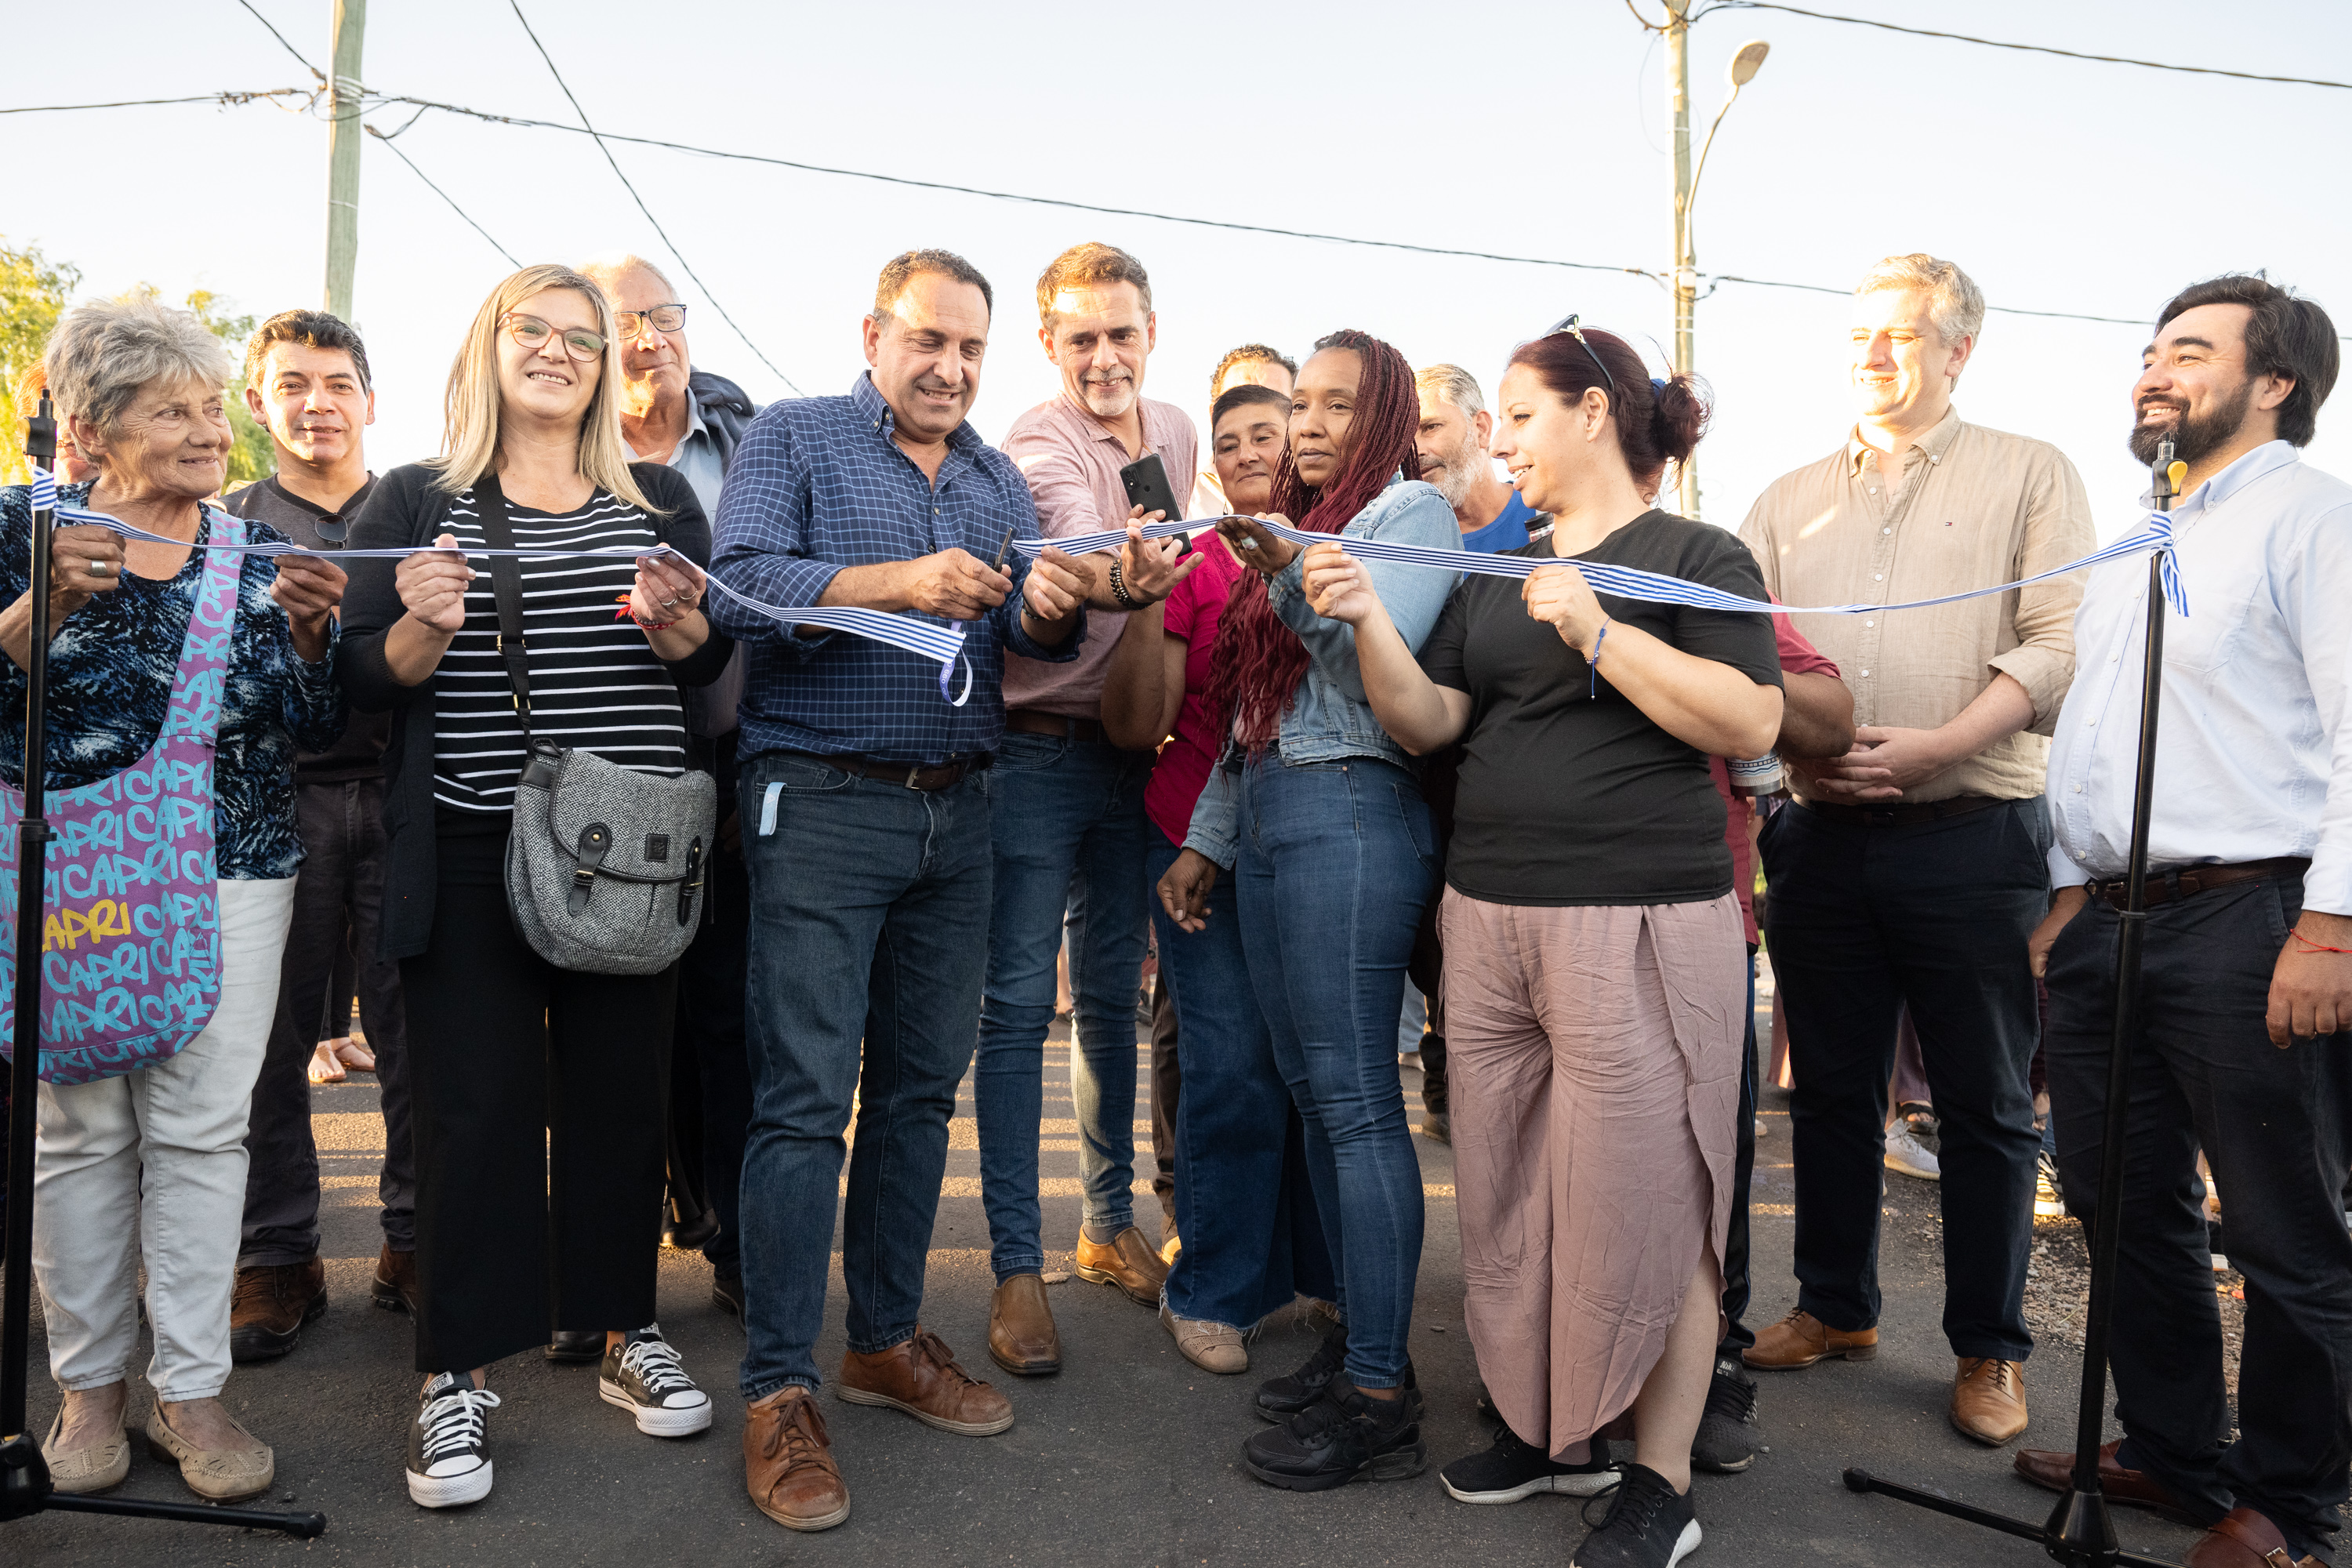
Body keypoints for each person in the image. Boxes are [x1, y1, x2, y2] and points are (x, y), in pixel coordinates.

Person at [1305, 320, 1781, 1565]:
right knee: (1513, 1188)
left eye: (1520, 414)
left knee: (1653, 1198)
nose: (1498, 440)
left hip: (1639, 914)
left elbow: (1749, 715)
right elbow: (1431, 722)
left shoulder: (1695, 555)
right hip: (1491, 913)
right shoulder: (1492, 568)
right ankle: (1548, 1431)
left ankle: (1660, 1482)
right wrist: (1367, 621)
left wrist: (1604, 635)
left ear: (1594, 414)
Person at [710, 249, 1138, 1535]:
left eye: (970, 350)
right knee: (802, 1103)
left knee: (915, 1092)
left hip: (964, 811)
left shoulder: (1000, 481)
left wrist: (1061, 603)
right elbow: (738, 588)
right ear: (875, 334)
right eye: (929, 342)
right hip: (821, 799)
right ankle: (778, 1389)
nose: (949, 368)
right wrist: (891, 583)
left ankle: (882, 1339)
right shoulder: (793, 438)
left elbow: (1021, 640)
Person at [339, 263, 733, 1509]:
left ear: (609, 363)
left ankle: (625, 1329)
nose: (559, 351)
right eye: (534, 330)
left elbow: (706, 666)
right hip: (469, 844)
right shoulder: (417, 494)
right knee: (476, 1109)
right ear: (489, 346)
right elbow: (365, 677)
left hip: (631, 850)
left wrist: (686, 636)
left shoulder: (660, 498)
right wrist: (422, 627)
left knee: (622, 1094)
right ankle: (453, 1370)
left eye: (582, 336)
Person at [2013, 275, 2352, 1568]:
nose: (2152, 370)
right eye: (2149, 351)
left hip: (2254, 913)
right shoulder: (2134, 543)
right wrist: (2065, 905)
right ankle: (2172, 1449)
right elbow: (2096, 739)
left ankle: (2289, 1509)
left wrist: (2333, 928)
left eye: (2191, 351)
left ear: (2277, 383)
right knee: (2117, 1202)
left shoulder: (2314, 524)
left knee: (2279, 1229)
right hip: (2113, 925)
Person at [1737, 253, 2093, 1449]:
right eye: (1859, 336)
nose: (1873, 354)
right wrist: (1797, 765)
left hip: (1974, 833)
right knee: (1830, 1088)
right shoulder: (1784, 500)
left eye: (1899, 336)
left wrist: (1940, 744)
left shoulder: (2033, 475)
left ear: (1959, 352)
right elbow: (1748, 655)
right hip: (1822, 835)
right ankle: (1835, 1307)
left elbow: (2057, 646)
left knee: (1988, 1104)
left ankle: (1991, 1350)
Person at [11, 296, 347, 1501]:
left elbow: (301, 732)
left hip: (235, 865)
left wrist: (311, 642)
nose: (213, 434)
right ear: (96, 429)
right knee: (79, 1133)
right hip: (74, 866)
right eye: (176, 412)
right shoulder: (21, 527)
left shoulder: (250, 549)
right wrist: (41, 603)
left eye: (215, 410)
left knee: (205, 1130)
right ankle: (88, 1393)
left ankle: (193, 1394)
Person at [1156, 328, 1458, 1492]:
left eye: (1340, 404)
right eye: (1306, 405)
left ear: (1382, 412)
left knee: (1355, 1102)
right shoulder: (1305, 529)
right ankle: (1359, 1348)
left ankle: (1381, 1393)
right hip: (1277, 817)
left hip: (1351, 813)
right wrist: (1205, 846)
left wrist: (1280, 563)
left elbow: (1367, 650)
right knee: (1312, 1094)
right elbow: (1246, 713)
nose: (1316, 424)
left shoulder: (1410, 520)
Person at [976, 242, 1199, 1377]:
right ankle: (1018, 1264)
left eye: (1121, 332)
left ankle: (1107, 1224)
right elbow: (1075, 537)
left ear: (1152, 328)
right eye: (1081, 338)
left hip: (1130, 752)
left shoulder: (1177, 427)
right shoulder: (1036, 438)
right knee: (1019, 1005)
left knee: (1114, 996)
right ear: (1050, 344)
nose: (1104, 356)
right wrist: (1129, 577)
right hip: (1034, 751)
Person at [1105, 380, 1336, 1375]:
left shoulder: (1339, 545)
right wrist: (1146, 603)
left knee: (1313, 1076)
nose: (1247, 452)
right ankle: (1211, 1287)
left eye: (1267, 434)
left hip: (1301, 840)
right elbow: (1136, 721)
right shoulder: (1192, 562)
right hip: (1190, 843)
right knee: (1230, 1067)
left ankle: (1319, 1272)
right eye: (1229, 438)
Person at [221, 309, 420, 1361]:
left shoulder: (418, 513)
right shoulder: (224, 527)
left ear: (370, 401)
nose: (317, 402)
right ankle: (277, 1258)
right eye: (293, 383)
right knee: (268, 1046)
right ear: (261, 404)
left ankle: (414, 1241)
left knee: (415, 1036)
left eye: (337, 383)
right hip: (274, 802)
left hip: (401, 793)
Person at [578, 251, 761, 1329]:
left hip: (741, 759)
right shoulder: (557, 451)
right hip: (607, 773)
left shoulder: (752, 443)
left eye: (662, 315)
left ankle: (735, 1237)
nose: (647, 338)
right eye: (622, 322)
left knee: (732, 1016)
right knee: (607, 1016)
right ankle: (605, 1264)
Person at [1402, 363, 1555, 1145]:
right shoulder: (1397, 532)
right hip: (1425, 776)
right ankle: (1444, 1048)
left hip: (1525, 784)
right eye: (1406, 434)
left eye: (1431, 426)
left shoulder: (1545, 523)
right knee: (1433, 936)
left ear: (1484, 429)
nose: (1418, 448)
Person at [1415, 363, 1548, 550]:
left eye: (1431, 427)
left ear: (1481, 429)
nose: (1415, 451)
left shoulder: (1549, 511)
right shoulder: (1408, 546)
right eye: (1403, 440)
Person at [1192, 343, 1297, 513]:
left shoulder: (1333, 496)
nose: (1252, 409)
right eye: (1236, 398)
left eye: (1272, 397)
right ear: (1214, 415)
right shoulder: (1184, 496)